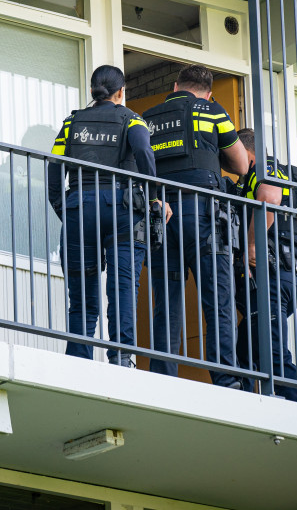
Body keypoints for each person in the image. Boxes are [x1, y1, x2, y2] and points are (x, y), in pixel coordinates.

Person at [47, 65, 169, 366]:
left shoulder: (71, 123)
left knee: (82, 294)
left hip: (79, 206)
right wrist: (153, 196)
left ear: (92, 91)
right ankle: (122, 358)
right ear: (121, 92)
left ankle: (79, 359)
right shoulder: (131, 120)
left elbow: (53, 168)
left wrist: (64, 207)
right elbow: (144, 152)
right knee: (123, 287)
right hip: (123, 207)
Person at [142, 65, 249, 388]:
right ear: (209, 92)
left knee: (167, 301)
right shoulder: (214, 111)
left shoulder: (147, 117)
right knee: (217, 298)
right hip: (203, 216)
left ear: (174, 87)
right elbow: (242, 165)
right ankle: (226, 379)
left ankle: (163, 377)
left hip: (162, 215)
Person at [234, 127, 297, 403]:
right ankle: (243, 410)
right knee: (243, 353)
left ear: (246, 152)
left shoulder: (264, 169)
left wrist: (252, 244)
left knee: (275, 357)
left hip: (270, 276)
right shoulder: (291, 174)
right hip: (291, 277)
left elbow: (269, 197)